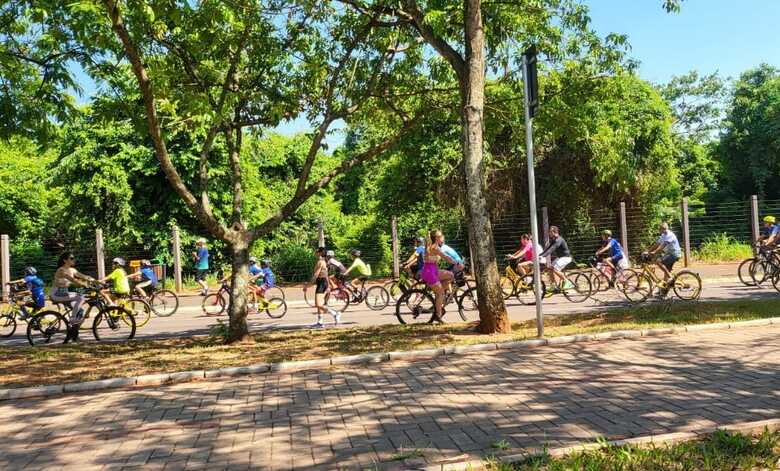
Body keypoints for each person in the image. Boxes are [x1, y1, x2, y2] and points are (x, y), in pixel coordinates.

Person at [421, 230, 460, 323]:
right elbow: (446, 257)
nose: (442, 237)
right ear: (436, 238)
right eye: (440, 235)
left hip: (434, 270)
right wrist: (457, 263)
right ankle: (438, 315)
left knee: (450, 275)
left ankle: (439, 296)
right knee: (440, 293)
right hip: (429, 272)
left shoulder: (434, 246)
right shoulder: (434, 247)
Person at [50, 252, 94, 324]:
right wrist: (83, 284)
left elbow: (85, 276)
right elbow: (72, 279)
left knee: (80, 310)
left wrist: (99, 282)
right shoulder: (61, 270)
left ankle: (73, 328)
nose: (74, 260)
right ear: (65, 260)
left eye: (74, 258)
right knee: (81, 297)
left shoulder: (72, 270)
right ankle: (73, 318)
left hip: (64, 293)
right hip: (57, 293)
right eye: (71, 258)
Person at [304, 247, 339, 328]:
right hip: (322, 283)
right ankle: (320, 322)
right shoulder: (323, 261)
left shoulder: (321, 262)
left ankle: (334, 313)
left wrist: (308, 285)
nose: (315, 252)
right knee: (320, 304)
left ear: (319, 253)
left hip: (322, 283)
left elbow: (316, 275)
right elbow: (324, 275)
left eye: (316, 251)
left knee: (318, 304)